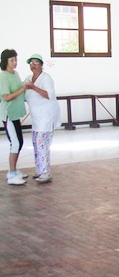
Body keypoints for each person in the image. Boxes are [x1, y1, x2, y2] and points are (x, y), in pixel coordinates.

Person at [24, 53, 61, 184]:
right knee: (36, 143)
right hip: (36, 118)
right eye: (31, 63)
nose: (34, 66)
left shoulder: (46, 78)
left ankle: (46, 172)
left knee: (42, 144)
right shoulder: (28, 78)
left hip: (46, 116)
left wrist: (33, 87)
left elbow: (48, 95)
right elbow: (23, 94)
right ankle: (40, 169)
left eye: (36, 63)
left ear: (42, 65)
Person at [0, 49, 28, 185]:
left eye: (16, 59)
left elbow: (18, 88)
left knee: (20, 142)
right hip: (8, 115)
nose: (15, 62)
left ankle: (14, 170)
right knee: (15, 143)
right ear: (5, 61)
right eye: (12, 60)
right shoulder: (3, 76)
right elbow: (7, 97)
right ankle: (11, 174)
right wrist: (23, 89)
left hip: (16, 114)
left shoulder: (15, 73)